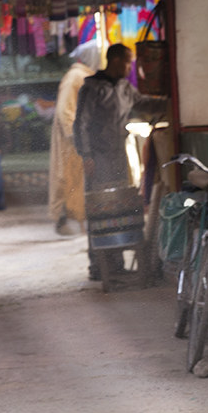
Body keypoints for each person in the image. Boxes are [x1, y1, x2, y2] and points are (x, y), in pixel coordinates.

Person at [73, 44, 168, 279]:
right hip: (98, 157)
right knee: (100, 208)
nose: (129, 68)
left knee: (118, 208)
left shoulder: (125, 87)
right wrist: (87, 155)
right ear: (115, 61)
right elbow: (81, 124)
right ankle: (98, 266)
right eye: (128, 62)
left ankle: (116, 263)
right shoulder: (92, 88)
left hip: (118, 155)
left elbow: (142, 103)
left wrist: (169, 102)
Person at [48, 41, 102, 236]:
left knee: (76, 182)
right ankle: (67, 221)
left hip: (80, 139)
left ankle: (77, 222)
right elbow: (65, 110)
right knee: (69, 180)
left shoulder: (83, 75)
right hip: (72, 142)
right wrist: (76, 137)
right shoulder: (76, 77)